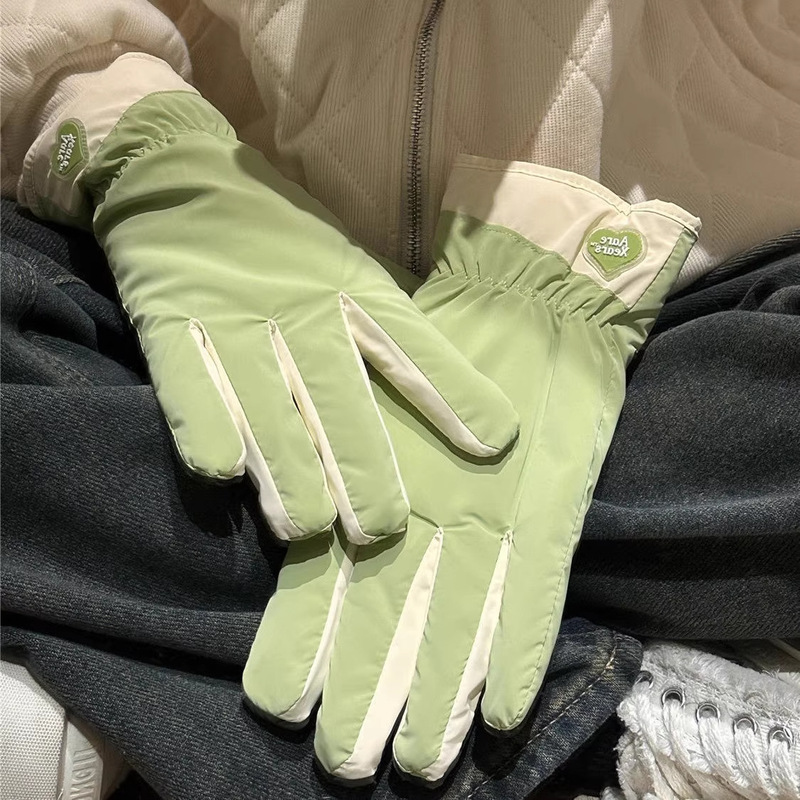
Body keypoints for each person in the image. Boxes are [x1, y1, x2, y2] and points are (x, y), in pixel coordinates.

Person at [2, 1, 799, 797]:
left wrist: (565, 273)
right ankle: (601, 710)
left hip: (664, 305)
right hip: (250, 275)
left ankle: (127, 636)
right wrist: (135, 140)